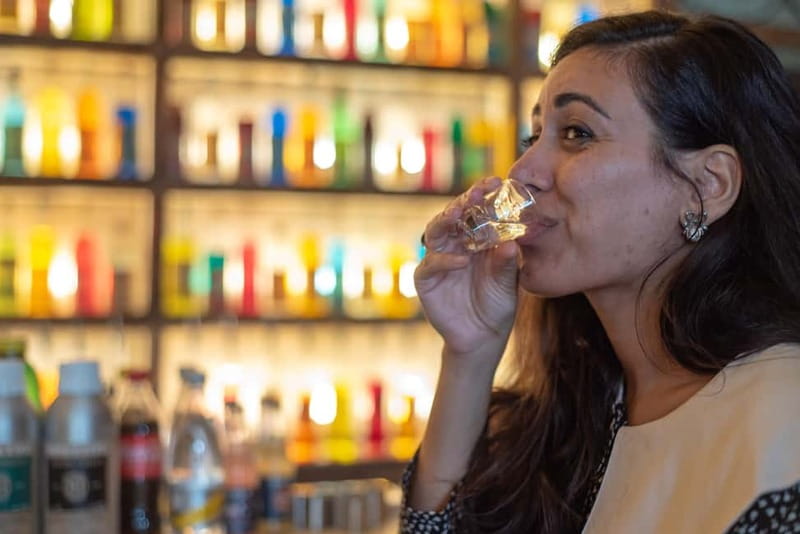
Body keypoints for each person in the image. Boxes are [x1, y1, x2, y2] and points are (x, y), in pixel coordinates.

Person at [403, 9, 800, 534]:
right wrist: (469, 355)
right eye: (533, 137)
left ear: (709, 185)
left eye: (577, 133)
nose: (522, 171)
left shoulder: (780, 420)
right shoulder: (585, 403)